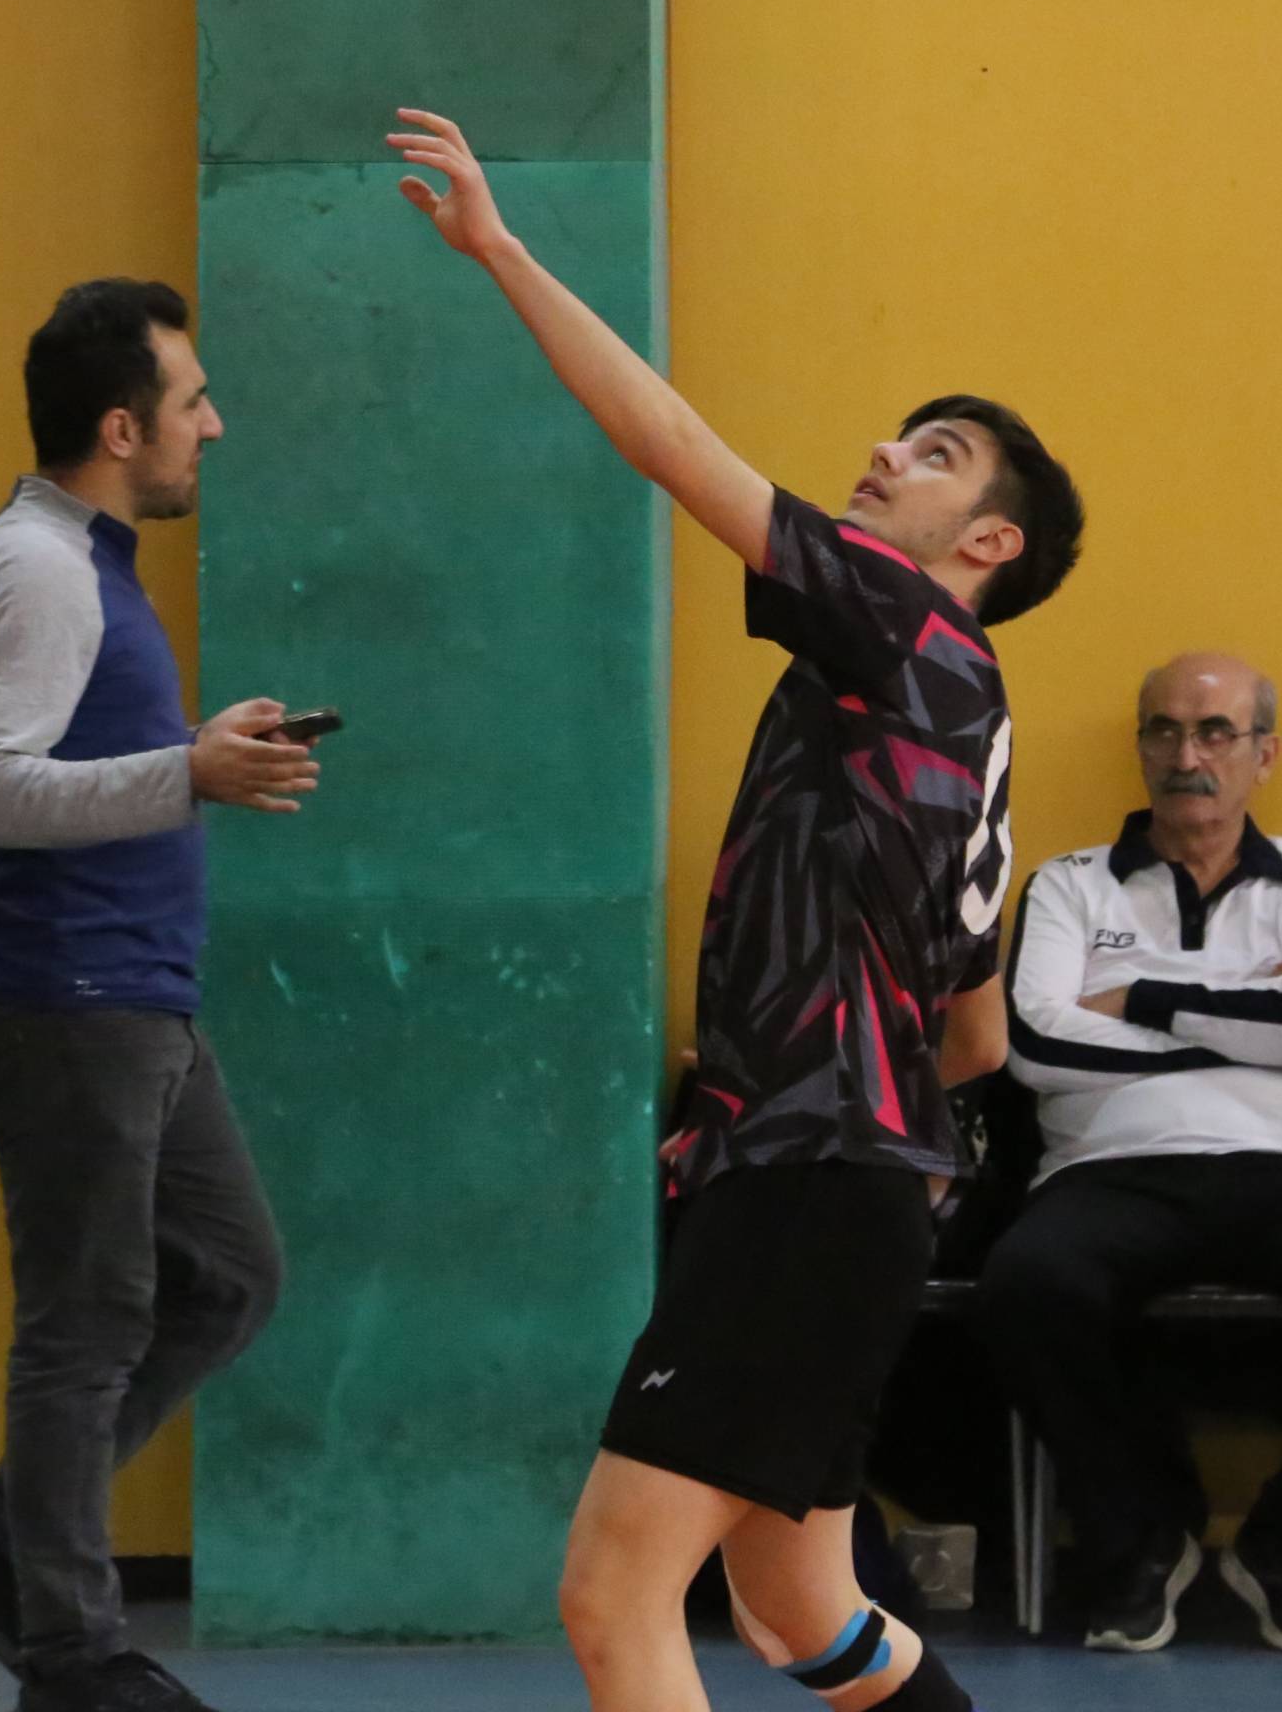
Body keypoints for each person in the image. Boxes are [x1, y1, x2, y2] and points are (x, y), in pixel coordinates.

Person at [386, 107, 1079, 1712]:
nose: (884, 455)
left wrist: (500, 251)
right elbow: (974, 1039)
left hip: (807, 1185)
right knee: (798, 1609)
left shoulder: (901, 621)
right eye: (897, 435)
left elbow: (671, 448)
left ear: (985, 542)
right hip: (853, 1186)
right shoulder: (961, 714)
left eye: (934, 454)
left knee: (609, 1597)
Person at [0, 280, 314, 1712]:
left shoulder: (83, 563)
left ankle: (4, 1533)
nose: (216, 424)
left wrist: (191, 750)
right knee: (86, 1321)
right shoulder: (34, 567)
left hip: (131, 998)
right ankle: (72, 1655)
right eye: (193, 402)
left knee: (231, 1275)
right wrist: (186, 770)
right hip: (63, 999)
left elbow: (64, 761)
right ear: (122, 428)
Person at [986, 651, 1282, 1656]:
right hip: (1108, 1174)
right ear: (1140, 748)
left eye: (1215, 732)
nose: (1188, 756)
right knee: (1026, 1282)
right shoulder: (1067, 886)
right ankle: (1137, 1544)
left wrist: (1134, 998)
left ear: (1264, 753)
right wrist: (1249, 1011)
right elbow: (1032, 1044)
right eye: (1164, 730)